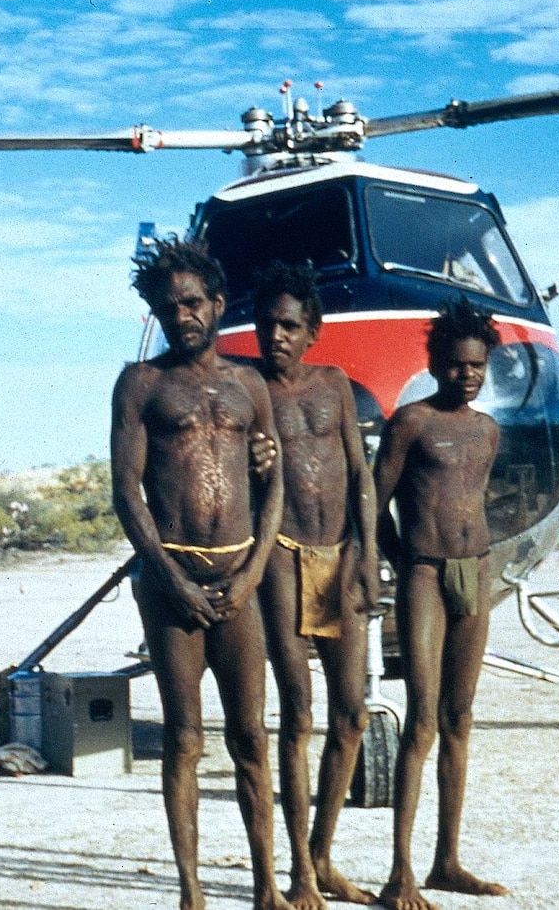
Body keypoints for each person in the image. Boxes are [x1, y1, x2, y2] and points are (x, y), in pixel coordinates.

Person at [111, 237, 292, 910]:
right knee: (184, 738)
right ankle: (192, 893)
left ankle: (268, 887)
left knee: (250, 735)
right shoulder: (141, 384)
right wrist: (168, 577)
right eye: (168, 306)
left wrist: (251, 573)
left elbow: (272, 488)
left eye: (192, 302)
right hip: (171, 584)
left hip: (241, 577)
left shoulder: (250, 385)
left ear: (217, 303)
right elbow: (126, 489)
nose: (181, 314)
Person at [373, 302, 509, 910]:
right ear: (432, 363)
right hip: (424, 575)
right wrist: (402, 559)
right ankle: (400, 872)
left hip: (474, 572)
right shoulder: (410, 422)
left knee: (460, 720)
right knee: (422, 721)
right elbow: (372, 505)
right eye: (455, 366)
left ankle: (446, 861)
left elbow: (471, 502)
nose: (466, 376)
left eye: (476, 366)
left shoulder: (487, 430)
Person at [252, 262, 379, 910]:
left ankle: (324, 853)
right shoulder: (251, 390)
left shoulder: (334, 386)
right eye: (268, 323)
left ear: (313, 332)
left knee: (351, 712)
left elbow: (360, 475)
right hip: (280, 555)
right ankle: (299, 871)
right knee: (298, 712)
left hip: (341, 555)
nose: (276, 335)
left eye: (289, 325)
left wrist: (367, 553)